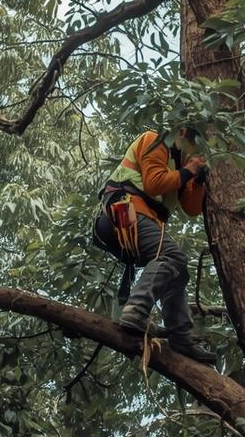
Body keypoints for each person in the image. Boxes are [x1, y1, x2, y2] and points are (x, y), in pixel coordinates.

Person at [92, 127, 214, 364]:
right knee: (173, 256)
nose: (197, 154)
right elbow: (154, 183)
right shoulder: (155, 140)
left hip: (141, 219)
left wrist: (197, 180)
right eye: (195, 146)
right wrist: (189, 170)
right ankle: (136, 310)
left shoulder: (180, 164)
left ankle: (181, 337)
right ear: (182, 134)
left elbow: (192, 209)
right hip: (124, 210)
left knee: (177, 272)